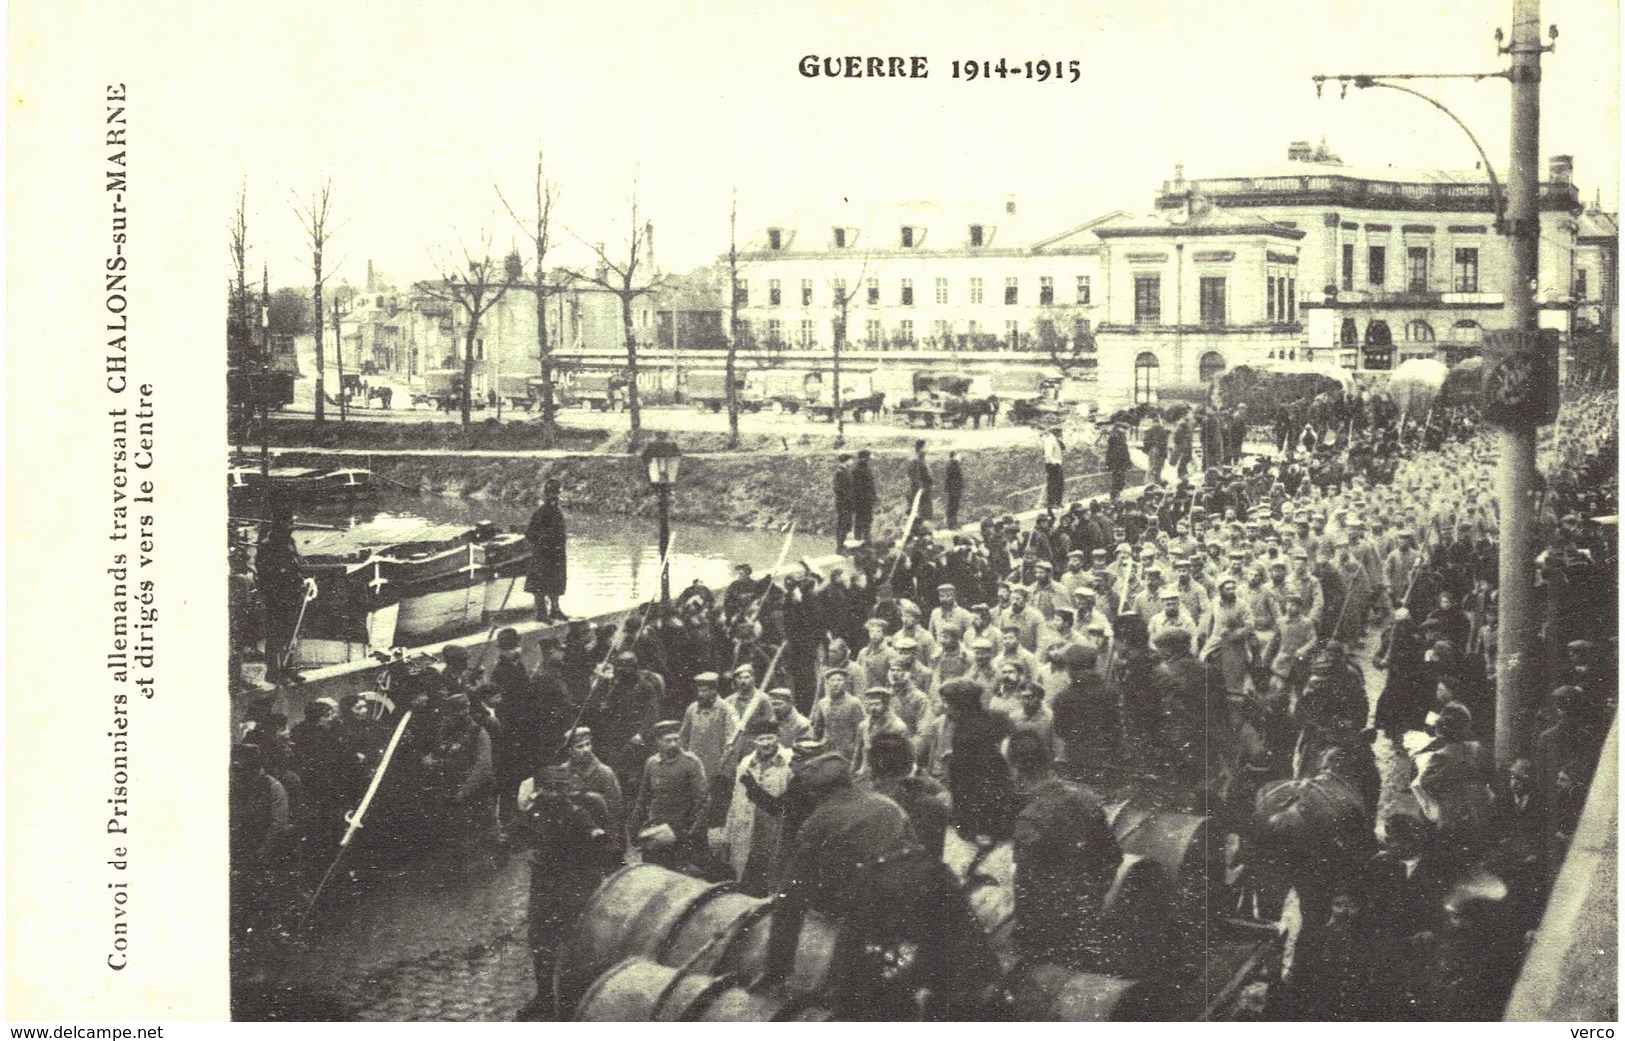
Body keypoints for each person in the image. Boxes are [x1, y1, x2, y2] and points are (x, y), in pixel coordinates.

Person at [514, 764, 617, 1021]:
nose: (545, 795)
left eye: (552, 790)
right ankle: (544, 997)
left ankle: (573, 1001)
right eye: (542, 790)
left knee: (572, 943)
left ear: (563, 792)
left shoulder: (577, 813)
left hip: (572, 887)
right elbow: (519, 832)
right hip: (544, 885)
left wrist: (596, 837)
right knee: (539, 940)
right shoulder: (537, 811)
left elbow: (597, 839)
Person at [629, 720, 709, 869]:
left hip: (683, 828)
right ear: (657, 741)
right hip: (658, 828)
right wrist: (634, 827)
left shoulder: (691, 763)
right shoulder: (651, 764)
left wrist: (688, 833)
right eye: (668, 740)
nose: (673, 744)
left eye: (676, 739)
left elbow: (702, 802)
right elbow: (643, 798)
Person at [524, 478, 569, 622]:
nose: (554, 497)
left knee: (556, 582)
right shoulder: (541, 512)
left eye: (556, 494)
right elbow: (530, 533)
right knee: (540, 585)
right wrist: (544, 543)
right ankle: (541, 614)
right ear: (546, 495)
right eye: (551, 494)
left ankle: (555, 610)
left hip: (556, 554)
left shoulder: (557, 512)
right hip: (544, 554)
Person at [851, 449, 877, 543]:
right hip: (861, 500)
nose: (868, 460)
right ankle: (859, 539)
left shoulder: (866, 469)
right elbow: (855, 487)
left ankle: (866, 538)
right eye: (867, 458)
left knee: (866, 520)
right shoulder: (856, 471)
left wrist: (873, 496)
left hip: (866, 500)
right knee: (860, 520)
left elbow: (871, 485)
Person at [906, 439, 934, 524]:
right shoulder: (916, 461)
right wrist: (921, 487)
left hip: (924, 490)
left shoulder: (921, 460)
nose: (927, 450)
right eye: (925, 447)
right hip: (920, 491)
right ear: (921, 448)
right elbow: (914, 476)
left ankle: (924, 529)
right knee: (921, 512)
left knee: (925, 512)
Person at [833, 454, 854, 553]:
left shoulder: (845, 472)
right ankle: (839, 547)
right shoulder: (840, 473)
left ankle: (842, 544)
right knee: (842, 524)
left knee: (846, 524)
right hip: (843, 504)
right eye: (851, 460)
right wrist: (847, 498)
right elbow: (837, 489)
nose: (852, 462)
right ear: (846, 461)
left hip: (847, 503)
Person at [1105, 423, 1132, 500]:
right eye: (1124, 428)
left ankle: (1117, 494)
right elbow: (1115, 451)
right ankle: (1115, 496)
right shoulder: (1116, 437)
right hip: (1118, 462)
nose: (1125, 430)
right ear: (1118, 428)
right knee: (1117, 479)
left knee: (1119, 478)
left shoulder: (1119, 436)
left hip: (1119, 462)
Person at [1041, 426, 1066, 509]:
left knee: (1060, 484)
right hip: (1052, 464)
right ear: (1055, 432)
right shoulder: (1049, 440)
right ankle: (1052, 503)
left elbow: (1063, 448)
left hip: (1057, 464)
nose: (1061, 434)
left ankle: (1058, 502)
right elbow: (1048, 455)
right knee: (1053, 484)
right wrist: (1054, 463)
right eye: (1059, 432)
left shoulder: (1056, 440)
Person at [1143, 411, 1169, 486]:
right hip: (1160, 450)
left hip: (1153, 450)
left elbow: (1146, 441)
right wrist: (1165, 454)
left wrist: (1147, 449)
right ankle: (1154, 481)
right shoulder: (1162, 431)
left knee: (1152, 465)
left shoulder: (1150, 430)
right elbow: (1164, 443)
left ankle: (1149, 481)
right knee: (1158, 467)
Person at [945, 450, 965, 529]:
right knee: (953, 506)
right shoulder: (953, 464)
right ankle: (952, 525)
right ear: (955, 456)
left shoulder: (952, 464)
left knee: (954, 506)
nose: (960, 457)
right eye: (958, 455)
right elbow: (954, 478)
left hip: (954, 489)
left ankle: (954, 524)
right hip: (954, 489)